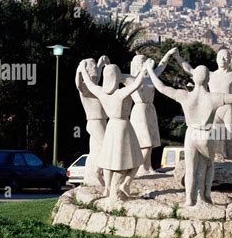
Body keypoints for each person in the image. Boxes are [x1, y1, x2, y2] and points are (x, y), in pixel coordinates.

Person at [145, 60, 232, 206]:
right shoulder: (214, 97)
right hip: (205, 134)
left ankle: (189, 199)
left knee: (190, 168)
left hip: (190, 133)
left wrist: (150, 70)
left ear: (193, 79)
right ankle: (206, 195)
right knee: (209, 165)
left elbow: (161, 87)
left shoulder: (184, 96)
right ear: (208, 79)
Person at [77, 60, 150, 200]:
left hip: (111, 126)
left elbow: (90, 84)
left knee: (107, 160)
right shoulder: (121, 93)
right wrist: (143, 70)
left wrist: (82, 70)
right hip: (123, 126)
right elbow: (137, 84)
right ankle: (126, 184)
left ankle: (107, 188)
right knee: (137, 159)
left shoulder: (101, 93)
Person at [122, 47, 177, 176]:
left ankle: (148, 167)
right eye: (143, 61)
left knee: (151, 142)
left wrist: (168, 54)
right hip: (139, 110)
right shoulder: (131, 79)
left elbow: (161, 67)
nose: (146, 63)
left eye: (145, 60)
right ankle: (140, 167)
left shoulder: (150, 77)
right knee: (145, 142)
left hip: (150, 109)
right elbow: (116, 76)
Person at [75, 56, 109, 186]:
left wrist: (101, 64)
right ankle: (100, 173)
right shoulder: (85, 89)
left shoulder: (94, 87)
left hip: (102, 121)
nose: (95, 76)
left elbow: (96, 76)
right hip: (95, 123)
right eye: (92, 69)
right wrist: (80, 70)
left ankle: (94, 175)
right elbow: (78, 83)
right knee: (105, 147)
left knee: (95, 150)